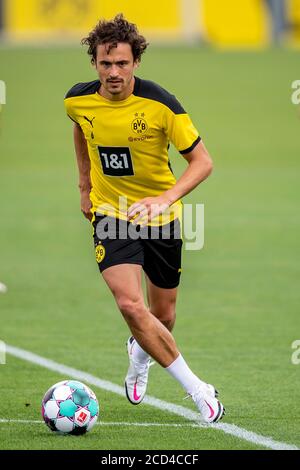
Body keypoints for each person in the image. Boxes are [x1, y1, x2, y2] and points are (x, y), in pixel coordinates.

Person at [64, 14, 225, 423]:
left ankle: (139, 356)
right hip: (110, 213)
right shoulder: (77, 101)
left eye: (121, 63)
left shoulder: (161, 104)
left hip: (161, 216)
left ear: (136, 62)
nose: (113, 72)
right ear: (94, 64)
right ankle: (198, 389)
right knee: (130, 305)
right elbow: (82, 129)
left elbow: (202, 162)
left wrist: (164, 197)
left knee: (163, 316)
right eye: (105, 63)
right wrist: (85, 187)